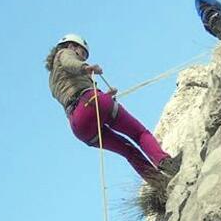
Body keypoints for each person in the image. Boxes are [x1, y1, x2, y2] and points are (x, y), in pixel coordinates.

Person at [46, 34, 180, 181]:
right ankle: (165, 162)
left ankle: (159, 183)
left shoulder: (52, 80)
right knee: (139, 133)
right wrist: (86, 68)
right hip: (91, 101)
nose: (83, 58)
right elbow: (69, 62)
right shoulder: (64, 53)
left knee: (127, 151)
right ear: (71, 46)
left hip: (79, 125)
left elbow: (76, 96)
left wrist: (106, 96)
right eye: (82, 53)